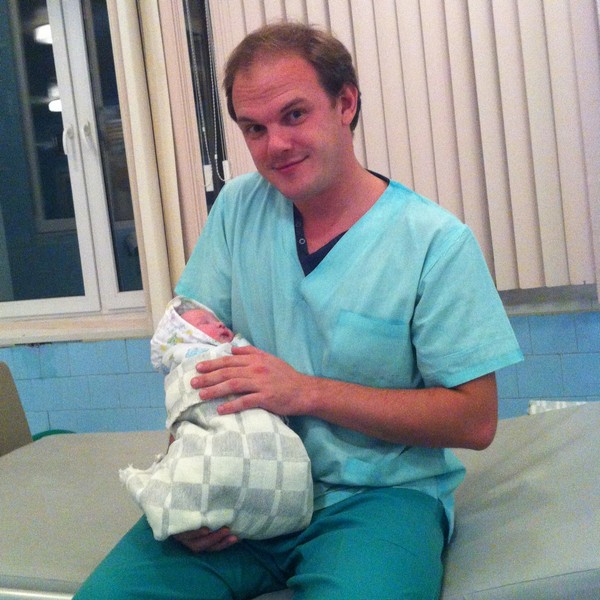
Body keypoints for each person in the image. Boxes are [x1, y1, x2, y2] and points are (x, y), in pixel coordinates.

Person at [75, 21, 523, 600]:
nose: (276, 145)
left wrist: (307, 392)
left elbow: (475, 421)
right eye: (254, 128)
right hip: (246, 485)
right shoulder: (238, 209)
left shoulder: (433, 244)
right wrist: (189, 484)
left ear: (346, 103)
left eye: (294, 115)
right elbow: (193, 362)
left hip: (376, 499)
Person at [119, 296, 313, 542]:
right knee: (199, 462)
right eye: (205, 322)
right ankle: (178, 508)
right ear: (185, 337)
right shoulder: (188, 357)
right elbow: (181, 407)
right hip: (214, 424)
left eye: (216, 320)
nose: (220, 324)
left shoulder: (243, 353)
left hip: (268, 430)